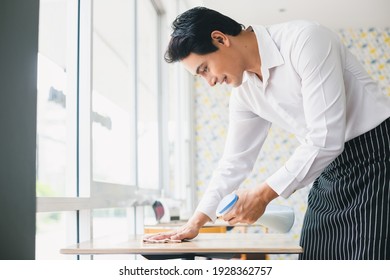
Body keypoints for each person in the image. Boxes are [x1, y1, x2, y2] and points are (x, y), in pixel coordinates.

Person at [145, 6, 390, 260]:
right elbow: (234, 162)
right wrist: (195, 222)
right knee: (313, 260)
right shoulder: (244, 94)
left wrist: (262, 195)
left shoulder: (306, 40)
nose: (210, 81)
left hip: (378, 159)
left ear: (220, 38)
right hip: (328, 172)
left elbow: (326, 137)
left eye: (205, 68)